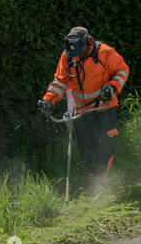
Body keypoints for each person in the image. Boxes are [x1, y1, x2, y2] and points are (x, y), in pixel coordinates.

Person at [38, 26, 129, 185]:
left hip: (104, 107)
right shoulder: (68, 55)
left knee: (106, 145)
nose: (77, 55)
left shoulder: (105, 53)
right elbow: (60, 81)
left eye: (80, 51)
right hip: (81, 111)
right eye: (74, 53)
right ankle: (93, 180)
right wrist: (48, 100)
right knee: (85, 148)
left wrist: (112, 87)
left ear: (89, 42)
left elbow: (122, 71)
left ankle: (100, 183)